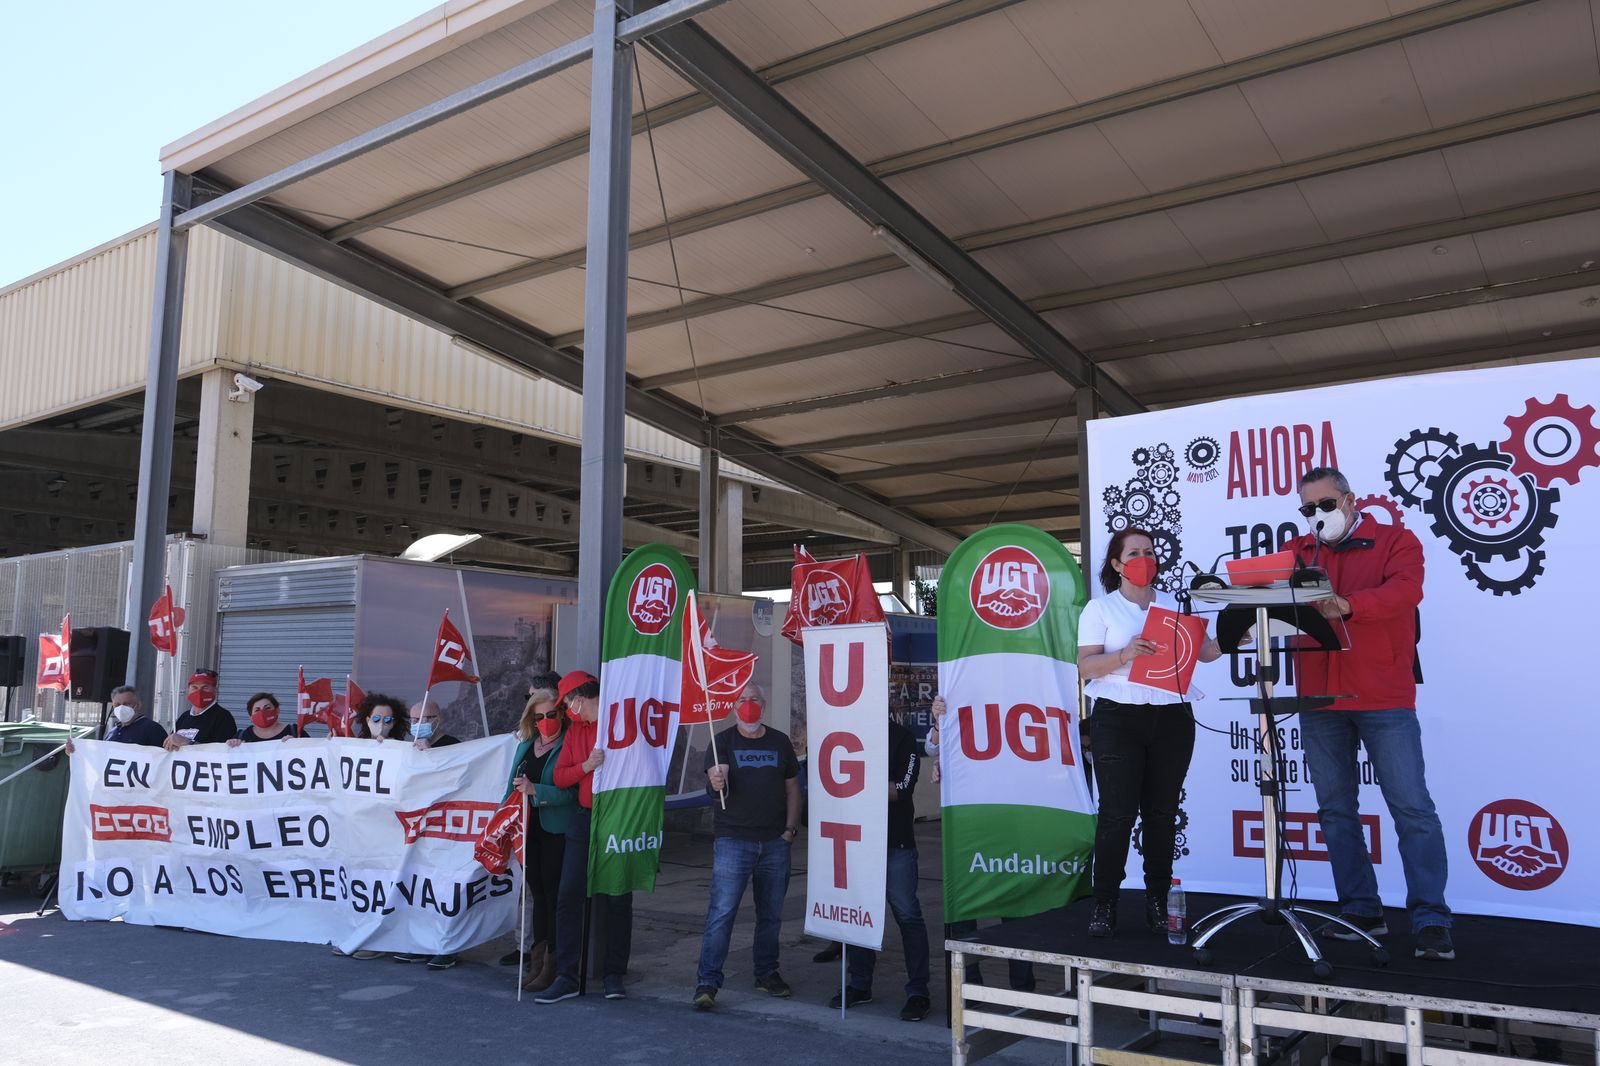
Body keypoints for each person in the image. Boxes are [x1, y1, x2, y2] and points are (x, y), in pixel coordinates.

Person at [1291, 467, 1452, 961]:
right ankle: (1361, 909)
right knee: (1336, 809)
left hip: (1383, 693)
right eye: (1307, 509)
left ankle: (1430, 917)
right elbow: (1276, 604)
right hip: (1318, 696)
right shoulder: (1300, 552)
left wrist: (1350, 605)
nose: (1317, 515)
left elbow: (1406, 592)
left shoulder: (1395, 539)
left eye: (1324, 504)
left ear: (1348, 500)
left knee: (1411, 807)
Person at [1078, 527, 1222, 938]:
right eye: (1135, 552)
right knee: (1117, 814)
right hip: (1118, 717)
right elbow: (1086, 667)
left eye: (1150, 552)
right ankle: (1104, 903)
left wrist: (1233, 634)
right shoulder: (1100, 609)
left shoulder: (1175, 602)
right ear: (1117, 564)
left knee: (1161, 814)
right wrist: (1125, 654)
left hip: (1172, 716)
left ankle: (1158, 902)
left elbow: (1204, 651)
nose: (1145, 559)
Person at [692, 685, 800, 1011]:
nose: (748, 705)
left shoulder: (780, 741)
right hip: (732, 841)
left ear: (763, 705)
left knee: (771, 915)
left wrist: (790, 830)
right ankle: (707, 982)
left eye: (754, 699)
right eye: (742, 700)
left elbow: (794, 787)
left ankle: (766, 973)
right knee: (722, 914)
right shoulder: (722, 741)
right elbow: (715, 782)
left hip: (774, 843)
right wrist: (716, 783)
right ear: (733, 706)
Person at [535, 670, 635, 1004]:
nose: (565, 711)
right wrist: (587, 768)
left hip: (618, 819)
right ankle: (567, 976)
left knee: (616, 896)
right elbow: (562, 777)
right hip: (585, 817)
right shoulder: (576, 730)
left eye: (565, 704)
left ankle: (613, 974)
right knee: (568, 896)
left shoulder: (620, 721)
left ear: (579, 697)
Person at [827, 708, 932, 1021]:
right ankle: (859, 984)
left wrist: (856, 786)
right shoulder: (846, 738)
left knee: (908, 916)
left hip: (895, 843)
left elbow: (901, 789)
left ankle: (918, 991)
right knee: (859, 916)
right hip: (857, 842)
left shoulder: (901, 738)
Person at [500, 684, 578, 989]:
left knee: (555, 896)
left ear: (562, 713)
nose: (546, 721)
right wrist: (501, 822)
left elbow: (572, 791)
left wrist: (537, 792)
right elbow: (510, 787)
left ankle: (554, 963)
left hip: (556, 830)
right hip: (527, 831)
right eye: (539, 717)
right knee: (537, 896)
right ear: (531, 720)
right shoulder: (526, 745)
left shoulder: (570, 744)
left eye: (552, 714)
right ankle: (537, 960)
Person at [334, 692, 410, 961]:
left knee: (383, 886)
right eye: (376, 718)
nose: (382, 724)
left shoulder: (404, 751)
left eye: (388, 720)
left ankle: (380, 939)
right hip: (358, 832)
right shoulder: (351, 749)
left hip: (387, 832)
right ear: (366, 720)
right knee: (360, 885)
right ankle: (358, 934)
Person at [391, 698, 465, 969]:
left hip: (445, 829)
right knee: (420, 890)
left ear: (438, 719)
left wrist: (433, 757)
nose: (418, 725)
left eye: (425, 719)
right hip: (417, 831)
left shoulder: (453, 746)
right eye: (413, 720)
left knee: (444, 891)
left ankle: (447, 948)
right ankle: (421, 944)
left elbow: (459, 782)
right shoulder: (407, 748)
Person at [67, 686, 165, 752]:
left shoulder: (152, 729)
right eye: (117, 704)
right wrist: (76, 752)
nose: (121, 707)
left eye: (126, 704)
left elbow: (165, 759)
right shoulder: (112, 732)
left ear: (138, 705)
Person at [164, 669, 236, 749]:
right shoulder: (184, 717)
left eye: (205, 687)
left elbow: (221, 753)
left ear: (215, 691)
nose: (199, 692)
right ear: (188, 690)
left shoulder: (223, 717)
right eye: (194, 687)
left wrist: (187, 742)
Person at [228, 693, 296, 745]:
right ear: (251, 717)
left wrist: (298, 743)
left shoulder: (294, 731)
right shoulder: (242, 736)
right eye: (257, 710)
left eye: (267, 708)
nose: (262, 713)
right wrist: (231, 746)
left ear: (277, 710)